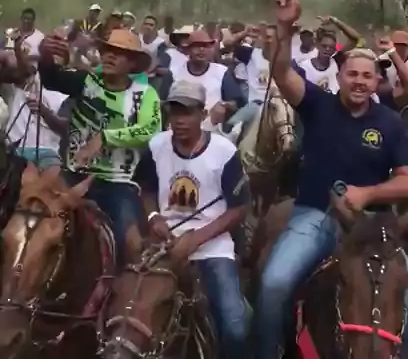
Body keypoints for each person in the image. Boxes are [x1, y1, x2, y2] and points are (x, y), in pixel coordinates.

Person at [255, 0, 408, 359]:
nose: (359, 81)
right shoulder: (316, 104)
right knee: (274, 284)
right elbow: (281, 72)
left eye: (367, 76)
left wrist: (368, 194)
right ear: (340, 77)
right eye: (352, 74)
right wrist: (285, 27)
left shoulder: (390, 123)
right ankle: (270, 351)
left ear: (377, 81)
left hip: (374, 227)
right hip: (314, 216)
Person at [135, 80, 251, 359]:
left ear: (202, 113)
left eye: (187, 112)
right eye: (174, 112)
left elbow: (240, 208)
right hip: (164, 245)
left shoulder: (224, 151)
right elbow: (146, 189)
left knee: (235, 326)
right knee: (130, 316)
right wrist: (153, 217)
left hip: (213, 246)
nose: (179, 120)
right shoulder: (156, 145)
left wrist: (197, 238)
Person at [38, 28, 162, 262]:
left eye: (118, 53)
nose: (109, 56)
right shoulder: (86, 81)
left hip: (117, 184)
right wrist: (45, 54)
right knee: (32, 219)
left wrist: (105, 137)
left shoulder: (145, 94)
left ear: (133, 63)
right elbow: (50, 78)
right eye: (106, 50)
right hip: (71, 176)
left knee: (133, 246)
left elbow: (149, 130)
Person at [160, 30, 242, 132]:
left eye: (206, 46)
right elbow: (161, 102)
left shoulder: (222, 72)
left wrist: (224, 106)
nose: (201, 49)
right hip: (178, 129)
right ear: (188, 50)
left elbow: (234, 103)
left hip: (211, 130)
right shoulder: (173, 72)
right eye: (197, 46)